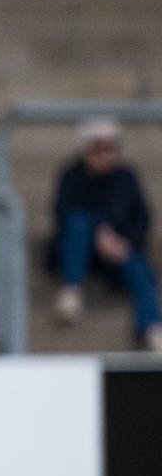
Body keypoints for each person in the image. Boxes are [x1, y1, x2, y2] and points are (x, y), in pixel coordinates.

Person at [50, 118, 162, 351]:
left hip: (116, 250)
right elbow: (63, 214)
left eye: (110, 149)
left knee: (140, 270)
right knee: (78, 225)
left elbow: (142, 217)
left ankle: (152, 328)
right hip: (80, 249)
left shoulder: (126, 178)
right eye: (98, 149)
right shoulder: (72, 176)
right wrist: (99, 232)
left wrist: (122, 241)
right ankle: (72, 290)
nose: (105, 155)